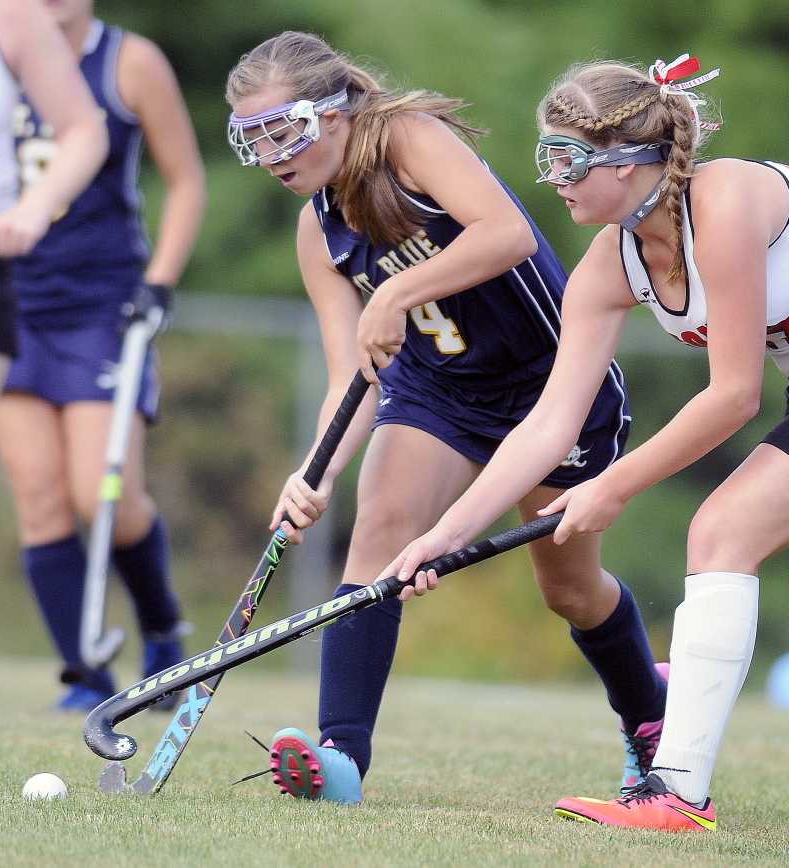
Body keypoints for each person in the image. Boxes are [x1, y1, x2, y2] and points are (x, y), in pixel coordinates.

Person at [383, 54, 789, 831]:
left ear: (630, 164)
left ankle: (676, 791)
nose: (551, 178)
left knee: (720, 531)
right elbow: (551, 421)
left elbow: (733, 396)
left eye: (565, 157)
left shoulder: (724, 204)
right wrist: (445, 533)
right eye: (544, 155)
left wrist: (612, 484)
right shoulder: (610, 261)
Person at [224, 31, 669, 805]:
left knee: (570, 590)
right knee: (379, 526)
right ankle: (341, 760)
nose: (271, 155)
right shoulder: (315, 232)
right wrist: (314, 473)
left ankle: (650, 716)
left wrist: (393, 294)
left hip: (550, 386)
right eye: (251, 139)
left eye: (283, 131)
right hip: (438, 396)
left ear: (332, 116)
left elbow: (508, 234)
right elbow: (352, 376)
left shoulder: (406, 141)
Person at [0, 0, 206, 711]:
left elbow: (185, 182)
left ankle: (161, 628)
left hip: (98, 306)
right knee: (40, 497)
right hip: (12, 302)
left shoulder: (128, 61)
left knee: (101, 492)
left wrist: (160, 281)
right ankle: (85, 673)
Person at [0, 0, 106, 638]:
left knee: (82, 491)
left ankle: (148, 634)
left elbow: (85, 129)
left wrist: (35, 207)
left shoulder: (8, 17)